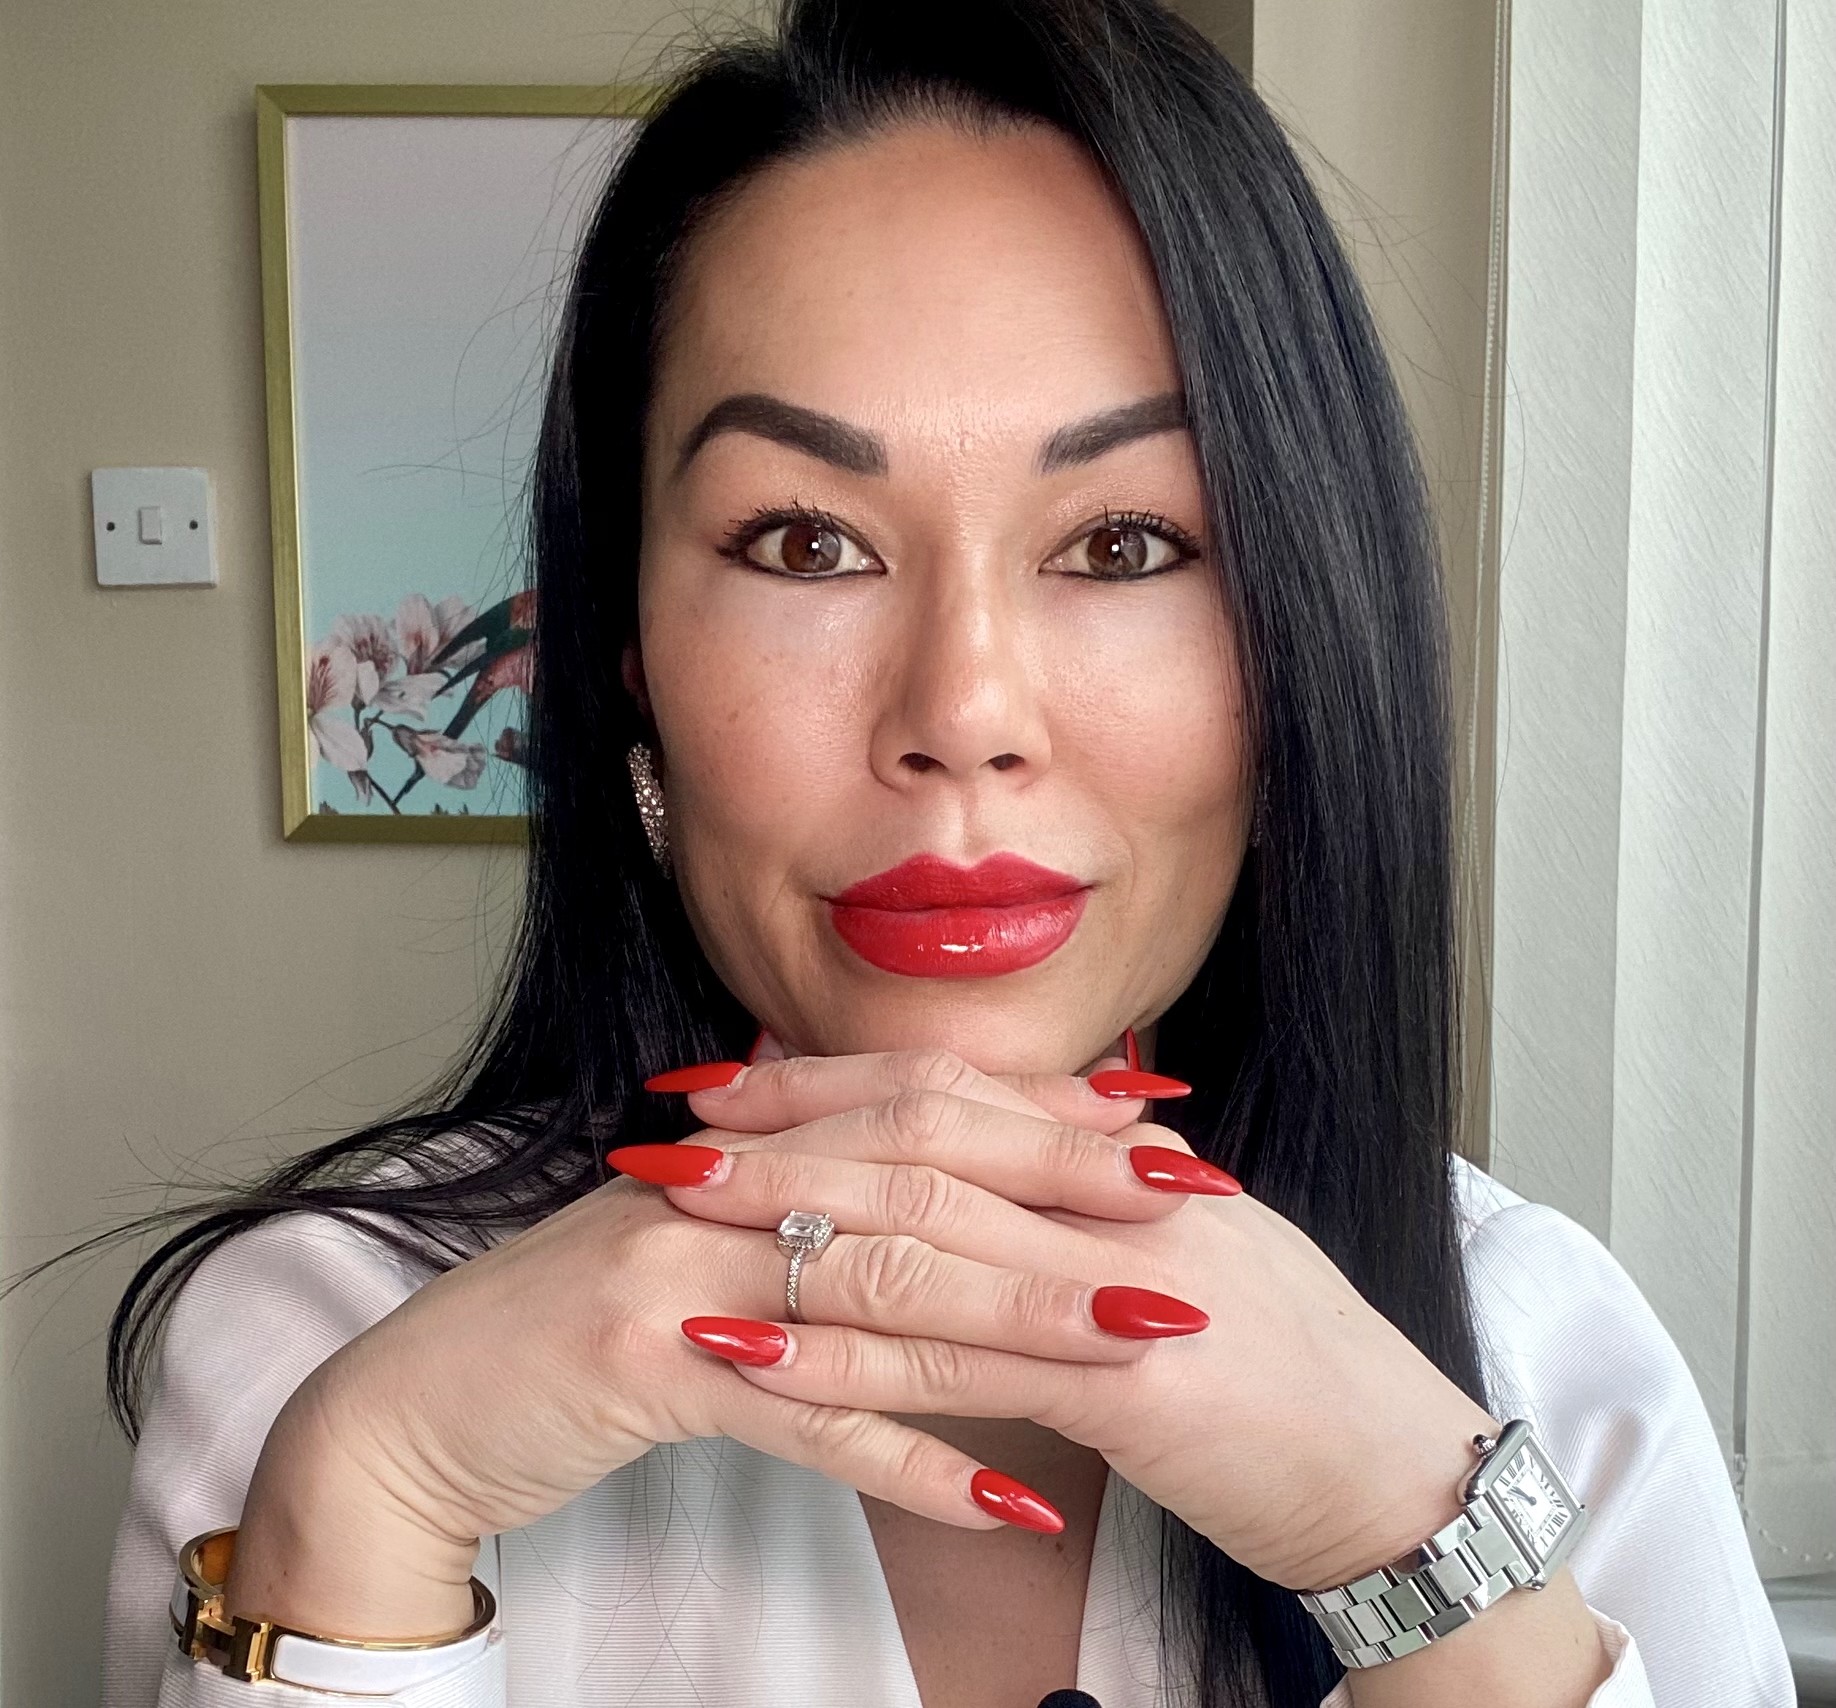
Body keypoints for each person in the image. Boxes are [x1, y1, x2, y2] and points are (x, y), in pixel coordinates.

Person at [82, 0, 1794, 1703]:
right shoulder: (338, 1339)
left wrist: (1432, 1554)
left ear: (1298, 634)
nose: (961, 712)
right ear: (632, 656)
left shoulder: (1549, 1361)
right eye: (803, 543)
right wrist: (370, 1510)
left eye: (1123, 543)